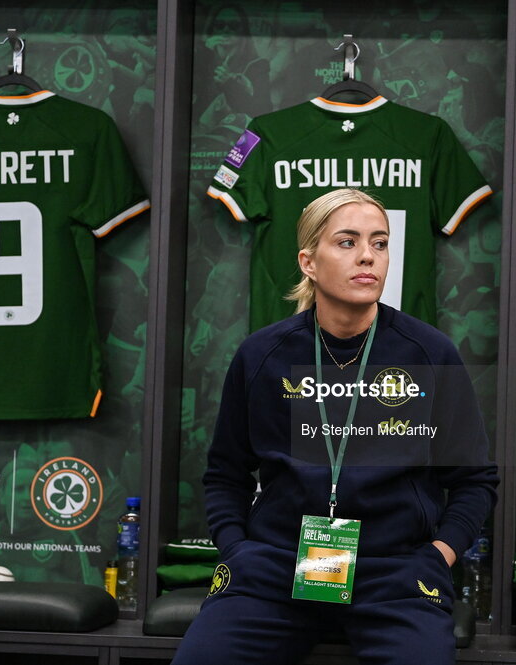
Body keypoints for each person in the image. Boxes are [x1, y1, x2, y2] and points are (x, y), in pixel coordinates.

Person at [174, 188, 499, 664]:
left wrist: (436, 557)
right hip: (275, 569)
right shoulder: (262, 356)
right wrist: (237, 550)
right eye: (347, 242)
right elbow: (226, 473)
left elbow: (474, 481)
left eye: (380, 243)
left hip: (393, 576)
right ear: (309, 261)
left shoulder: (429, 354)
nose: (368, 256)